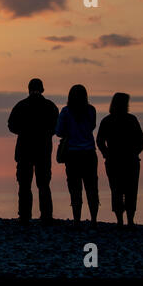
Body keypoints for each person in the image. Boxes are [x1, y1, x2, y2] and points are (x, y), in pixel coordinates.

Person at [8, 78, 59, 225]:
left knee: (24, 184)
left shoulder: (21, 105)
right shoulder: (50, 106)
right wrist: (46, 133)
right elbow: (57, 126)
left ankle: (25, 216)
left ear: (28, 89)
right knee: (43, 183)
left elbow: (11, 125)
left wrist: (24, 132)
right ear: (42, 89)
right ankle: (46, 215)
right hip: (43, 150)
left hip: (25, 149)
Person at [97, 93, 143, 228]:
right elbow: (140, 139)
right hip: (129, 160)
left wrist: (106, 154)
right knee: (131, 190)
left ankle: (120, 221)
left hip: (115, 160)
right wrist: (135, 151)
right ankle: (129, 221)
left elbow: (100, 140)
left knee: (116, 190)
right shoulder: (131, 119)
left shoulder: (107, 120)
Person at [56, 84, 99, 229]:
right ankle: (93, 220)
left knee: (75, 187)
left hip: (73, 154)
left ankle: (77, 220)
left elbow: (59, 132)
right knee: (91, 186)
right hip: (89, 153)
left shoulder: (66, 112)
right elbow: (92, 126)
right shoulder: (91, 110)